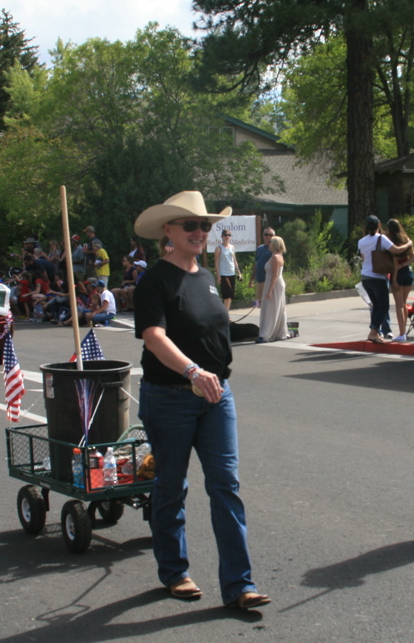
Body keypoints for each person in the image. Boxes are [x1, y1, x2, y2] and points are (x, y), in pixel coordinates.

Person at [132, 190, 270, 610]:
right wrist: (193, 370)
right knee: (171, 486)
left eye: (204, 225)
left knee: (225, 485)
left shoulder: (207, 278)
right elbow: (154, 337)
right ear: (167, 231)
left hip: (216, 397)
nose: (199, 232)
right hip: (170, 396)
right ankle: (175, 572)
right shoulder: (153, 279)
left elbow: (210, 329)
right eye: (190, 225)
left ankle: (239, 585)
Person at [358, 216, 412, 343]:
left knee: (376, 306)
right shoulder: (381, 239)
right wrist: (409, 243)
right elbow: (397, 250)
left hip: (365, 277)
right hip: (377, 277)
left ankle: (375, 332)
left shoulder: (361, 241)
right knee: (383, 306)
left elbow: (362, 258)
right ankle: (373, 332)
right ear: (379, 225)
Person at [386, 219, 414, 342]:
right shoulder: (406, 240)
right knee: (404, 304)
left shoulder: (392, 243)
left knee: (399, 305)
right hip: (408, 273)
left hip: (397, 274)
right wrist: (404, 265)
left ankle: (401, 333)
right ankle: (403, 331)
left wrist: (394, 278)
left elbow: (394, 262)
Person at [257, 236, 289, 343]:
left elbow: (275, 275)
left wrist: (269, 291)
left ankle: (266, 335)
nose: (269, 244)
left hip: (274, 284)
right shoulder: (275, 256)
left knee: (272, 309)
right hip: (271, 282)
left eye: (271, 243)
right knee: (275, 308)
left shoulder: (276, 257)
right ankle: (276, 332)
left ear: (275, 245)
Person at [215, 229, 242, 310]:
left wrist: (239, 272)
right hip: (223, 273)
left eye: (229, 235)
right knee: (227, 294)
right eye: (225, 235)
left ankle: (225, 312)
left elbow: (234, 261)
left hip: (231, 273)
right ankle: (225, 314)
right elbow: (216, 263)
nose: (227, 237)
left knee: (230, 295)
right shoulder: (219, 248)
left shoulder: (232, 247)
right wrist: (218, 276)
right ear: (222, 236)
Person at [249, 227, 275, 307]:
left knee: (268, 304)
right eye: (266, 234)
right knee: (259, 304)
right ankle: (263, 319)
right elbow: (257, 264)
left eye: (270, 235)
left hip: (268, 280)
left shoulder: (274, 249)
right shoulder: (260, 248)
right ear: (263, 236)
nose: (268, 237)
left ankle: (269, 319)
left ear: (273, 236)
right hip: (259, 280)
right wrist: (251, 279)